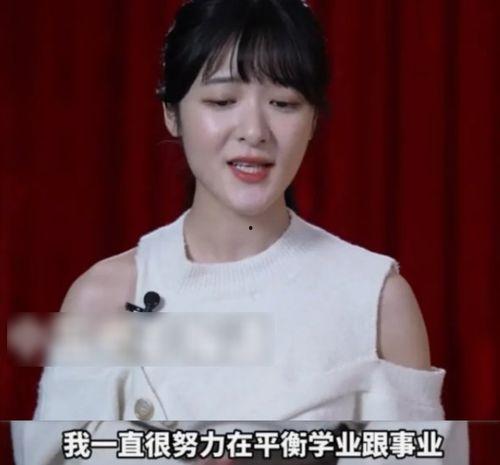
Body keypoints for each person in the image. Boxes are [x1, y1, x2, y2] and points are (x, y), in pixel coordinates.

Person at [11, 0, 468, 463]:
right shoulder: (101, 297)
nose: (254, 131)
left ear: (313, 119)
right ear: (172, 111)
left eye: (284, 104)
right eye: (222, 101)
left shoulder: (376, 300)